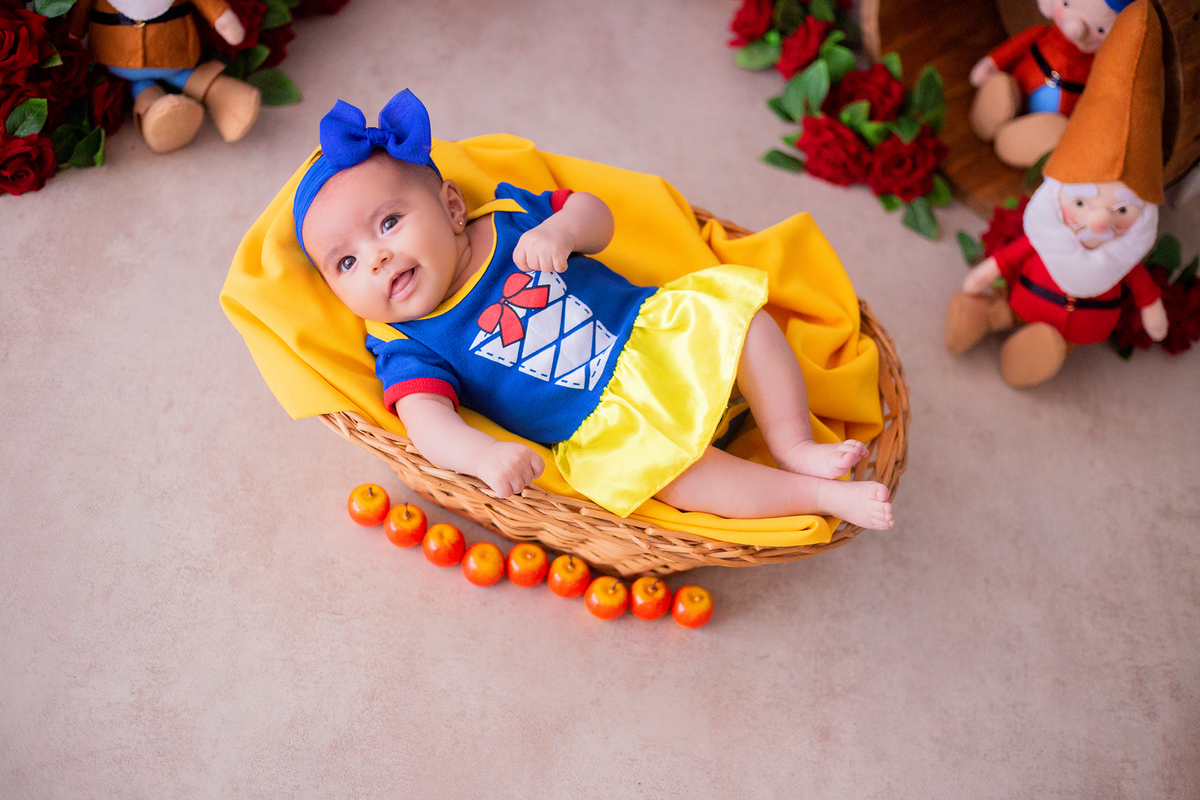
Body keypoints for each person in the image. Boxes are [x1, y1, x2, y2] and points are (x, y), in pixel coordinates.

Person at [292, 89, 893, 530]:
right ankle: (816, 497)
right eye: (345, 263)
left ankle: (792, 442)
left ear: (451, 207)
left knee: (746, 323)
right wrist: (484, 455)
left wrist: (562, 231)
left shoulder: (504, 218)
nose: (375, 259)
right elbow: (428, 424)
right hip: (603, 425)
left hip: (655, 333)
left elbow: (596, 214)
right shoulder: (407, 342)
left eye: (389, 223)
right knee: (687, 483)